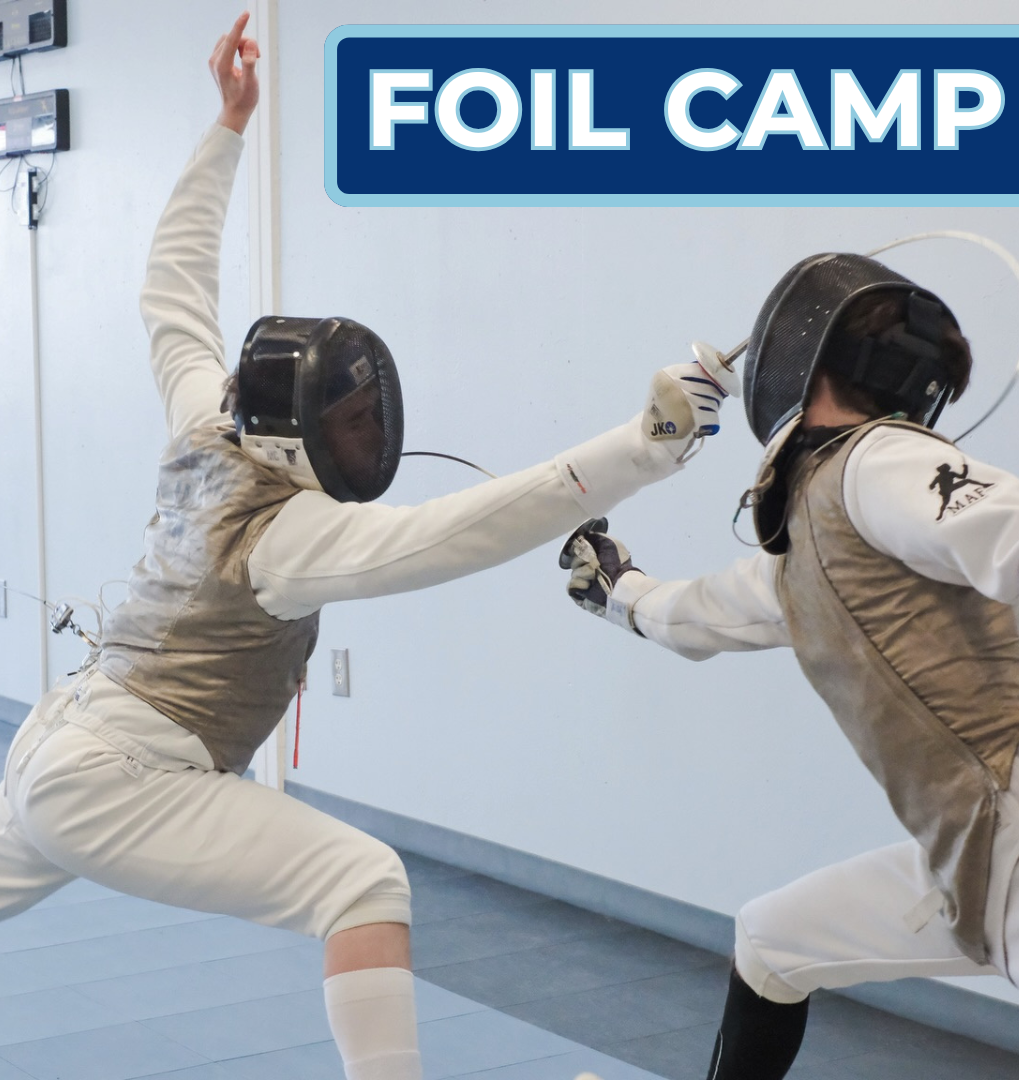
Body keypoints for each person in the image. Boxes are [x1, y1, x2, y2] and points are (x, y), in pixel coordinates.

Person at [0, 15, 739, 1080]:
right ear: (292, 425)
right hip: (118, 774)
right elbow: (473, 527)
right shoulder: (288, 537)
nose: (364, 434)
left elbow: (172, 285)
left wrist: (228, 128)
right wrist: (647, 445)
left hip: (55, 745)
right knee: (363, 885)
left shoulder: (204, 412)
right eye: (344, 422)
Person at [563, 250, 1019, 1077]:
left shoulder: (881, 461)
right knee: (774, 939)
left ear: (800, 354)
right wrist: (620, 591)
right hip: (974, 851)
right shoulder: (822, 533)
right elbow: (707, 612)